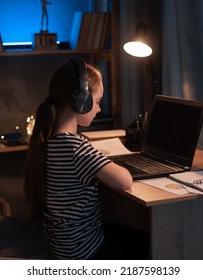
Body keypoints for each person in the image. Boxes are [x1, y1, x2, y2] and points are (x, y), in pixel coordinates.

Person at [24, 59, 149, 260]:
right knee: (144, 242)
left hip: (63, 244)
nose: (99, 109)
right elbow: (124, 181)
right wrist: (101, 159)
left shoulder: (49, 140)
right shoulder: (76, 148)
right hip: (83, 251)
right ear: (81, 101)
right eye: (98, 101)